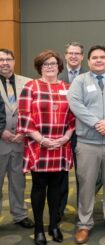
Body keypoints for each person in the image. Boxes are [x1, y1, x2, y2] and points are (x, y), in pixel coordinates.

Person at [67, 45, 105, 244]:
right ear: (89, 61)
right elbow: (75, 104)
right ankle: (84, 224)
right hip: (87, 143)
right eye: (95, 57)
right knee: (86, 185)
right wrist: (96, 123)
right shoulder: (79, 81)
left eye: (103, 57)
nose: (99, 60)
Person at [17, 50, 75, 245]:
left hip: (61, 145)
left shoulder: (68, 88)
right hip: (38, 146)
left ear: (59, 66)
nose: (50, 67)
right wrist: (41, 139)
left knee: (57, 189)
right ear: (39, 67)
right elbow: (24, 117)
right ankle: (39, 228)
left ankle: (54, 226)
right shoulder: (30, 87)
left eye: (53, 64)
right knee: (39, 187)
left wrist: (66, 137)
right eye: (45, 64)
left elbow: (73, 118)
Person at [0, 48, 34, 229]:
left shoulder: (28, 83)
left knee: (18, 182)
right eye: (1, 59)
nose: (5, 63)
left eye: (8, 59)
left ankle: (20, 214)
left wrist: (24, 131)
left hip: (20, 141)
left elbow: (33, 111)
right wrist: (1, 131)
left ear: (14, 61)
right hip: (1, 140)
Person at [57, 41, 87, 221]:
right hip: (60, 132)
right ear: (65, 55)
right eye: (71, 53)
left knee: (83, 174)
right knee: (60, 174)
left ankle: (83, 211)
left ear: (82, 57)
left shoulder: (90, 76)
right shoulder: (56, 75)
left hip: (83, 131)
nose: (74, 56)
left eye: (77, 53)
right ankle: (59, 209)